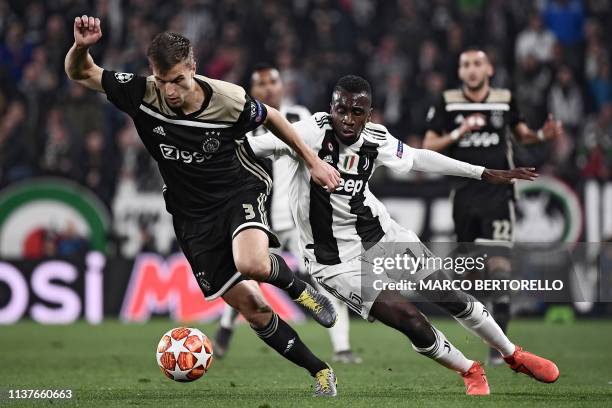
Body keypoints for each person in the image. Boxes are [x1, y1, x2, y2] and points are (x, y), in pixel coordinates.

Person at [64, 15, 341, 396]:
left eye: (178, 80)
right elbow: (82, 73)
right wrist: (81, 47)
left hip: (238, 190)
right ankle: (321, 372)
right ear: (152, 74)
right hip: (191, 216)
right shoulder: (140, 93)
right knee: (253, 308)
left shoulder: (227, 99)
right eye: (163, 82)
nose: (171, 91)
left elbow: (273, 116)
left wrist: (312, 161)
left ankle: (300, 290)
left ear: (193, 67)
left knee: (253, 264)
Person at [247, 75, 560, 395]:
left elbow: (418, 157)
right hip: (334, 260)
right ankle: (470, 370)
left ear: (370, 114)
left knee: (448, 295)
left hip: (382, 236)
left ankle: (512, 354)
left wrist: (481, 172)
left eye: (357, 112)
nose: (348, 119)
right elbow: (255, 144)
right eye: (341, 110)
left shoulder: (376, 137)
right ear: (331, 108)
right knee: (410, 320)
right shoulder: (311, 131)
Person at [423, 48, 563, 364]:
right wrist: (459, 132)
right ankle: (486, 322)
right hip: (463, 195)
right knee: (472, 272)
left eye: (477, 64)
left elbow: (522, 135)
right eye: (466, 65)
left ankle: (500, 350)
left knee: (499, 266)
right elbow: (429, 145)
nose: (471, 70)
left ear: (489, 69)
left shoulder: (503, 99)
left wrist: (542, 134)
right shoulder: (447, 101)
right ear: (460, 73)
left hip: (498, 194)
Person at [214, 64, 361, 364]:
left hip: (297, 220)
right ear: (251, 91)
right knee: (242, 277)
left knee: (327, 278)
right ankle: (225, 332)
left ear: (283, 87)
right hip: (259, 217)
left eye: (273, 82)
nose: (268, 88)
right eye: (261, 83)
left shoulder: (300, 117)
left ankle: (342, 347)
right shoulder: (241, 124)